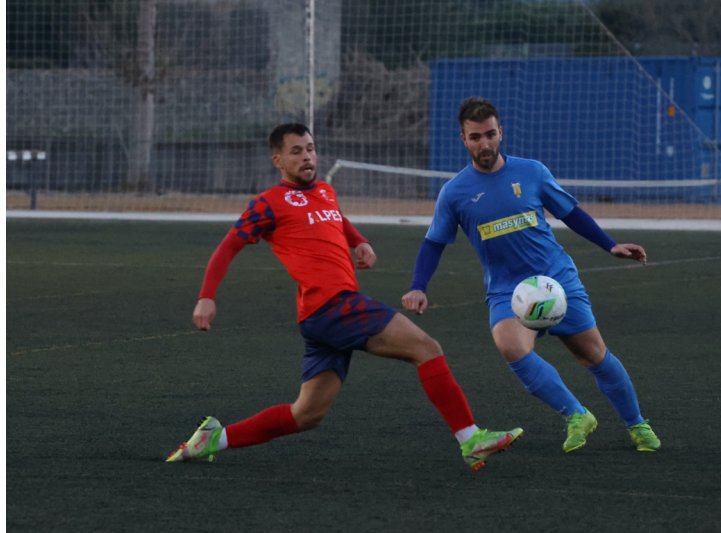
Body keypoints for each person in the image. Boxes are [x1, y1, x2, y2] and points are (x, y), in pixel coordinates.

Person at [165, 122, 523, 471]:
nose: (307, 156)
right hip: (333, 305)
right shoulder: (268, 203)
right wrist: (206, 296)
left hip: (320, 317)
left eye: (310, 148)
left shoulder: (324, 191)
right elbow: (228, 248)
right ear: (278, 160)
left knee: (306, 414)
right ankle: (471, 439)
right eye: (296, 151)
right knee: (427, 348)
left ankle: (213, 438)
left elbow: (335, 218)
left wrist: (359, 240)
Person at [401, 97, 661, 453]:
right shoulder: (455, 193)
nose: (485, 144)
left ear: (501, 133)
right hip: (507, 291)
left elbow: (570, 212)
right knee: (511, 346)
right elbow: (433, 243)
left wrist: (609, 244)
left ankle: (637, 425)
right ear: (463, 140)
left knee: (593, 355)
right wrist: (419, 286)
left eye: (490, 134)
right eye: (476, 137)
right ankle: (576, 414)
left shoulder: (532, 172)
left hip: (557, 280)